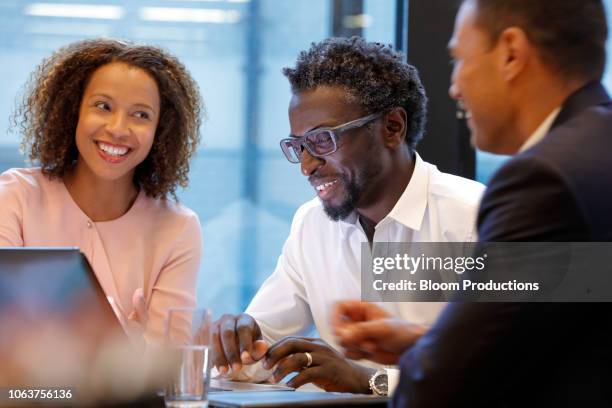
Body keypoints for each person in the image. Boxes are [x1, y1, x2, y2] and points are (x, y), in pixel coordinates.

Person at [332, 0, 612, 406]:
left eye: (459, 59)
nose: (454, 87)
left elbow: (438, 385)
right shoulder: (595, 150)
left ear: (511, 53)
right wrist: (425, 341)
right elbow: (573, 335)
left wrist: (422, 360)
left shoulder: (543, 180)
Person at [211, 37, 485, 394]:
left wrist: (370, 381)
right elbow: (258, 357)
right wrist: (236, 342)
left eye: (323, 140)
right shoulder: (312, 224)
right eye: (298, 146)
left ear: (392, 128)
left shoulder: (478, 217)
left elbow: (513, 372)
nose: (307, 166)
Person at [0, 39, 204, 345]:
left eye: (141, 114)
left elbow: (168, 363)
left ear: (161, 130)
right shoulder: (15, 198)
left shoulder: (178, 228)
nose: (118, 128)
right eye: (103, 106)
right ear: (73, 111)